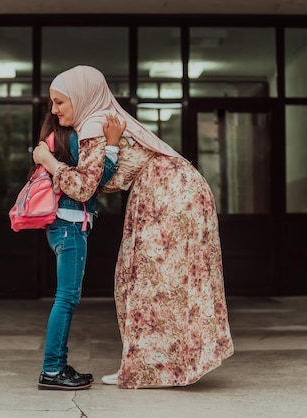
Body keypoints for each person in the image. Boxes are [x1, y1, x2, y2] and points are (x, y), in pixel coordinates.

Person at [33, 65, 234, 389]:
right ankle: (152, 365)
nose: (54, 111)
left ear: (81, 98)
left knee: (149, 280)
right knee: (144, 279)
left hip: (168, 193)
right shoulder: (97, 122)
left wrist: (48, 160)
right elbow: (100, 179)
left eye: (60, 102)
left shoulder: (95, 125)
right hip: (168, 190)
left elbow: (85, 186)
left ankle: (154, 369)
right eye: (53, 103)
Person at [35, 102, 124, 390]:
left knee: (66, 298)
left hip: (61, 225)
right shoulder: (74, 138)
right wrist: (111, 146)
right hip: (70, 225)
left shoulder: (53, 138)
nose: (56, 108)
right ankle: (52, 369)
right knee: (67, 298)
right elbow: (94, 180)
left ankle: (57, 365)